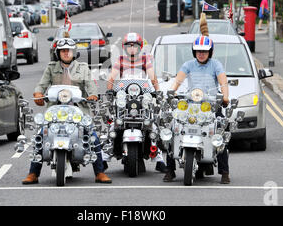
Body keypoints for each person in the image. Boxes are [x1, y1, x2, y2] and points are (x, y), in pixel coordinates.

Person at [22, 36, 112, 184]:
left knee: (92, 135)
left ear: (73, 52)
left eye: (68, 50)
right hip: (55, 109)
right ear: (58, 53)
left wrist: (93, 95)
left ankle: (100, 172)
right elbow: (41, 85)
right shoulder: (51, 68)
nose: (65, 53)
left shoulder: (82, 68)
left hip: (78, 109)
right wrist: (38, 94)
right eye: (62, 51)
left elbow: (91, 86)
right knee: (40, 134)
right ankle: (33, 173)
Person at [163, 33, 231, 184]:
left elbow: (223, 82)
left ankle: (224, 172)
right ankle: (169, 170)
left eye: (204, 51)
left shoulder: (216, 65)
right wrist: (172, 92)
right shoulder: (188, 64)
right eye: (198, 51)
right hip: (190, 104)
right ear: (194, 52)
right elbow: (178, 81)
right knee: (172, 127)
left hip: (210, 104)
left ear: (210, 52)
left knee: (220, 132)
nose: (201, 54)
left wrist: (225, 97)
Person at [106, 32, 167, 173]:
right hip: (124, 99)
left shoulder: (145, 60)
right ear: (124, 47)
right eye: (129, 46)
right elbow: (111, 77)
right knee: (113, 124)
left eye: (135, 46)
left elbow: (152, 77)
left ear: (140, 47)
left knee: (153, 125)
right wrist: (109, 90)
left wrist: (157, 91)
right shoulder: (120, 60)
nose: (132, 49)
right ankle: (105, 156)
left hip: (142, 98)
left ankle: (159, 160)